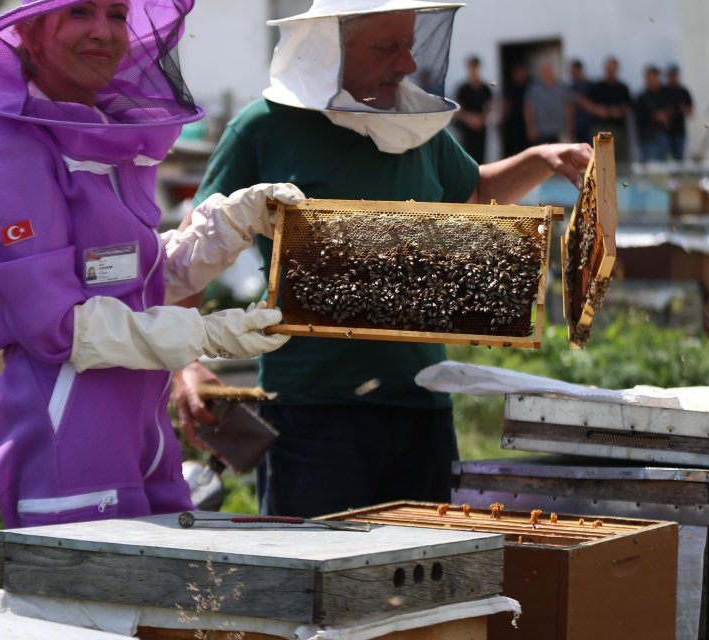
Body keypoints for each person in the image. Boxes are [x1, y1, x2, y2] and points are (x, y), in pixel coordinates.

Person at [171, 0, 592, 519]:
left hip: (421, 404)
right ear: (331, 53)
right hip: (312, 411)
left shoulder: (416, 125)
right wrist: (185, 365)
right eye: (387, 47)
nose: (407, 63)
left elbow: (473, 192)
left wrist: (542, 159)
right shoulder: (264, 127)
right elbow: (191, 250)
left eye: (410, 45)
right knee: (315, 581)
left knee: (424, 581)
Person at [0, 0, 299, 528]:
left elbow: (134, 278)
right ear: (30, 34)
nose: (104, 33)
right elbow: (62, 328)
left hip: (143, 425)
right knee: (85, 603)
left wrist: (227, 224)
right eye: (81, 12)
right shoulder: (10, 157)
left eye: (115, 14)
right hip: (66, 430)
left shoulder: (98, 141)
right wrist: (208, 334)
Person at [587, 56, 632, 162]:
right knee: (600, 161)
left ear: (617, 69)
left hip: (618, 129)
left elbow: (628, 107)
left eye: (613, 69)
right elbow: (586, 103)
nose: (610, 71)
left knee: (618, 161)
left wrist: (619, 111)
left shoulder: (623, 88)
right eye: (608, 68)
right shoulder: (597, 87)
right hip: (600, 129)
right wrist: (598, 110)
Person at [454, 55, 494, 161]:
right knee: (467, 156)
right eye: (471, 67)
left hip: (481, 127)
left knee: (481, 156)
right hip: (466, 129)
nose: (473, 70)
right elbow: (457, 108)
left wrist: (481, 119)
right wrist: (469, 119)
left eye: (475, 67)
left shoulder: (485, 88)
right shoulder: (462, 89)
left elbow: (489, 106)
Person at [525, 61, 571, 145]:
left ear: (553, 72)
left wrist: (570, 127)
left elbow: (569, 108)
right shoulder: (534, 89)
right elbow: (529, 109)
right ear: (541, 73)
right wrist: (531, 128)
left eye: (549, 71)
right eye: (544, 71)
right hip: (541, 132)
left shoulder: (561, 87)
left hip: (559, 130)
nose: (547, 74)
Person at [633, 64, 671, 162]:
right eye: (650, 78)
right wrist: (653, 116)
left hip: (662, 135)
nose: (653, 80)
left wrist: (665, 116)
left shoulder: (664, 95)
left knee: (663, 166)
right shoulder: (641, 97)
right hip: (647, 137)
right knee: (649, 167)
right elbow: (638, 118)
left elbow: (670, 111)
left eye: (655, 78)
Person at [499, 62, 531, 157]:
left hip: (525, 122)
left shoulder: (530, 85)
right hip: (512, 123)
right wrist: (502, 119)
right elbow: (506, 104)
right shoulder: (510, 87)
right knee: (513, 148)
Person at [663, 64, 693, 161]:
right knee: (667, 159)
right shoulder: (663, 91)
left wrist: (684, 109)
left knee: (679, 158)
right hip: (666, 132)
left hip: (679, 131)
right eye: (670, 75)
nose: (672, 77)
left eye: (674, 74)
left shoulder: (683, 92)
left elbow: (691, 112)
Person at [568, 59, 598, 144]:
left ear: (579, 70)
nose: (572, 74)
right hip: (577, 126)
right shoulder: (571, 87)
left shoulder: (590, 86)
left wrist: (581, 100)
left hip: (590, 126)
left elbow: (595, 107)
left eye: (574, 72)